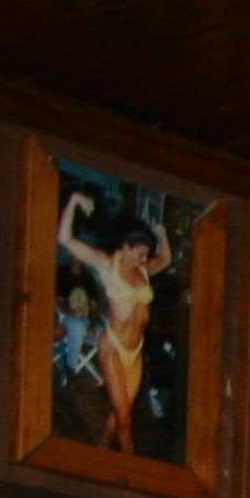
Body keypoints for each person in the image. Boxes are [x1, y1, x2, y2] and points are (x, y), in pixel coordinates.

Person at [55, 190, 171, 452]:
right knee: (125, 421)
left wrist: (162, 235)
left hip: (135, 352)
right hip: (113, 349)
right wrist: (73, 201)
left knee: (120, 413)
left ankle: (101, 452)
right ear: (126, 247)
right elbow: (64, 238)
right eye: (140, 253)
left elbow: (166, 259)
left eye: (146, 255)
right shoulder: (108, 266)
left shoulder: (140, 268)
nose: (144, 260)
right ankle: (129, 474)